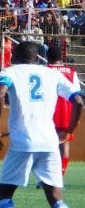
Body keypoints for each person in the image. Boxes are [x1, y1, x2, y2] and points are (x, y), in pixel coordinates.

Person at [0, 41, 83, 208]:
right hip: (49, 142)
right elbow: (79, 102)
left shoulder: (9, 72)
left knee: (4, 195)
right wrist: (69, 131)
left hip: (23, 142)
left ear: (16, 55)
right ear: (36, 57)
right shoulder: (52, 74)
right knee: (56, 198)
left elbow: (0, 94)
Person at [46, 45, 81, 176]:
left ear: (47, 56)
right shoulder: (71, 71)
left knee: (48, 144)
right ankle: (60, 175)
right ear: (61, 57)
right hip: (67, 112)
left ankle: (47, 175)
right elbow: (76, 92)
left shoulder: (45, 70)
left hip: (50, 111)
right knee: (64, 144)